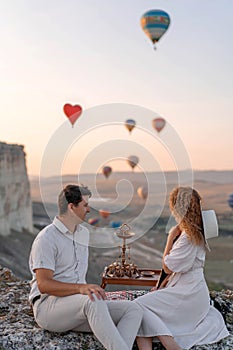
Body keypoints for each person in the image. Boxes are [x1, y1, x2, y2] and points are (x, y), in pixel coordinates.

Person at [29, 184, 143, 350]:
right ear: (71, 207)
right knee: (94, 301)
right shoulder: (47, 238)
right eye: (85, 205)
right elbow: (44, 285)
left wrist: (83, 292)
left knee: (132, 310)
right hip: (49, 308)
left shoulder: (83, 233)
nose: (89, 210)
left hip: (77, 307)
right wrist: (81, 288)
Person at [134, 186, 229, 350]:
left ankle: (171, 345)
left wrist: (170, 238)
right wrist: (161, 287)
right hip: (191, 291)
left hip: (187, 295)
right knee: (142, 310)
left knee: (138, 307)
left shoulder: (187, 237)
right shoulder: (196, 232)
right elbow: (179, 270)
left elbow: (168, 267)